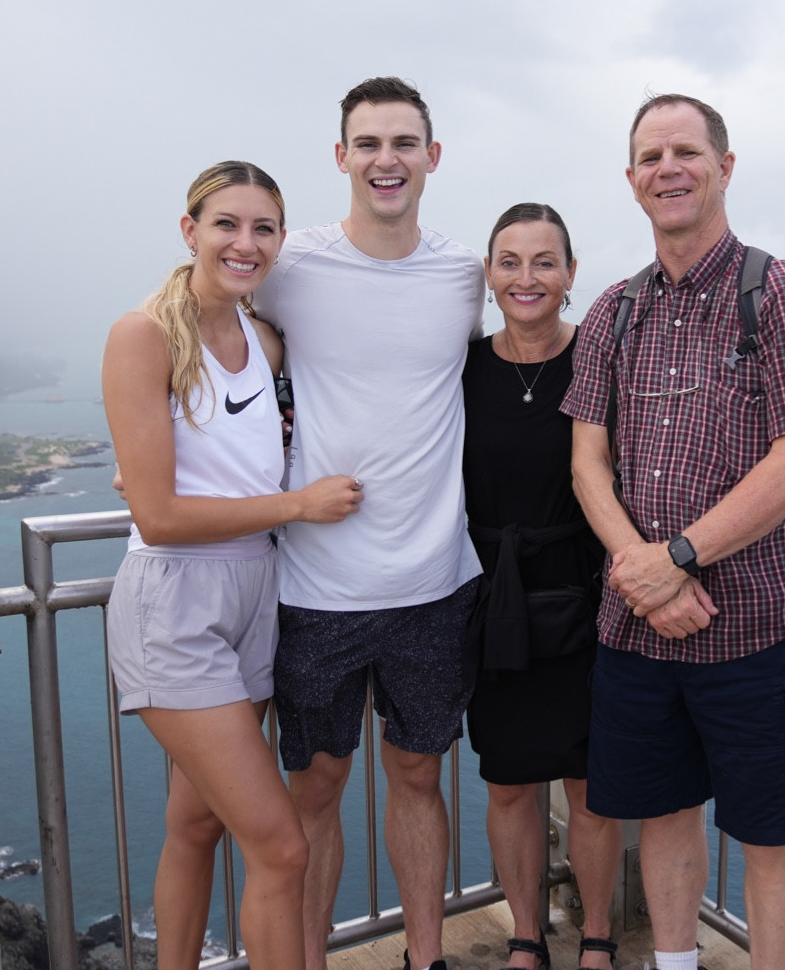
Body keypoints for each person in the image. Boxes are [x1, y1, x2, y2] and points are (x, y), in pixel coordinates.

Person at [561, 95, 785, 970]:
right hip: (641, 625)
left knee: (773, 834)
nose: (669, 168)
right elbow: (588, 464)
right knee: (662, 811)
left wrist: (678, 559)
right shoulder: (617, 310)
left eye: (686, 151)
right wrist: (645, 573)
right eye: (650, 156)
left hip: (762, 625)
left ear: (725, 166)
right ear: (630, 181)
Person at [102, 161, 366, 970]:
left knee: (196, 823)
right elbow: (160, 515)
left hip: (257, 592)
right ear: (190, 230)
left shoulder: (264, 339)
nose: (245, 243)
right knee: (282, 848)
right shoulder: (142, 335)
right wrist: (299, 505)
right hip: (176, 603)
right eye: (227, 223)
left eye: (263, 228)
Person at [250, 77, 487, 970]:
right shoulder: (292, 266)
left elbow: (531, 341)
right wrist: (148, 432)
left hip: (435, 583)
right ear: (340, 155)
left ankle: (422, 959)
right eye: (368, 143)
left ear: (433, 156)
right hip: (316, 585)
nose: (386, 159)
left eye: (404, 142)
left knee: (418, 776)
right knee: (314, 788)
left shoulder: (465, 275)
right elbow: (206, 330)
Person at [462, 204, 622, 970]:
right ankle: (527, 934)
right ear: (489, 275)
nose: (527, 278)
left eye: (544, 261)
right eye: (510, 261)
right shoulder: (461, 367)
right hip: (492, 603)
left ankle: (597, 935)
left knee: (589, 787)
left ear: (569, 273)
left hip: (588, 596)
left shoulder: (600, 357)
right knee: (507, 782)